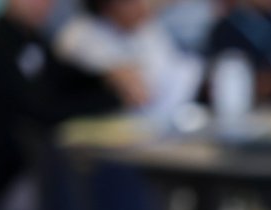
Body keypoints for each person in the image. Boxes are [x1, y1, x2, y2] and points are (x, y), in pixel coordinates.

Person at [0, 0, 119, 210]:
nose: (43, 5)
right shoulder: (0, 43)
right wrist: (106, 100)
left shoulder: (32, 38)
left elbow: (66, 77)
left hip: (45, 168)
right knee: (112, 193)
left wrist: (110, 80)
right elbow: (40, 109)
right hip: (19, 183)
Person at [53, 0, 202, 122]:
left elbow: (174, 74)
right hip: (104, 132)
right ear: (106, 6)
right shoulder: (79, 37)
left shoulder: (147, 29)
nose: (142, 5)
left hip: (163, 124)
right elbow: (138, 94)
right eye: (131, 2)